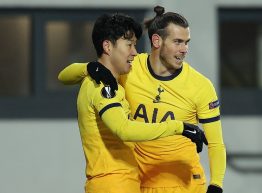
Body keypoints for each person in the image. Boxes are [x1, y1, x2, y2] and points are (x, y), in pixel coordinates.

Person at [58, 6, 226, 193]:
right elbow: (64, 76)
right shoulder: (129, 69)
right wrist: (91, 68)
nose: (184, 49)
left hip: (186, 185)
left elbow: (216, 143)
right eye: (178, 42)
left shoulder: (201, 86)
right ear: (156, 41)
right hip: (142, 183)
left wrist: (216, 184)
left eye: (187, 42)